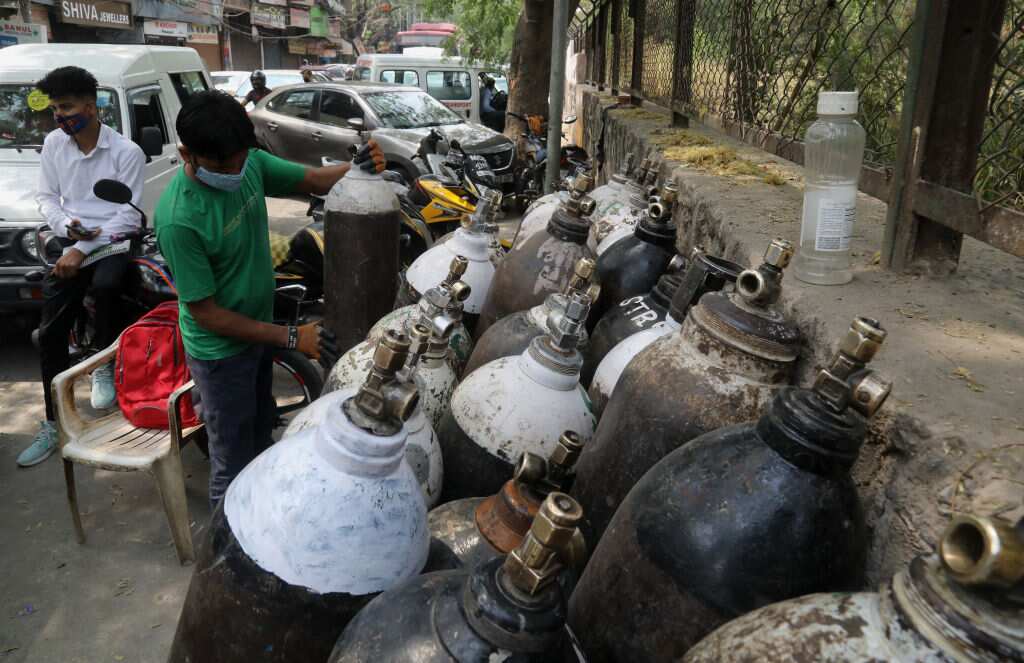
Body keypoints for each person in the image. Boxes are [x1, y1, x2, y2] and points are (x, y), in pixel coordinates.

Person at [155, 90, 384, 506]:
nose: (236, 170)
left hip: (257, 336)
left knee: (261, 433)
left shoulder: (250, 165)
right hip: (220, 355)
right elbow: (206, 314)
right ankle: (224, 554)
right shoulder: (179, 218)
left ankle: (261, 520)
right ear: (187, 154)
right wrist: (293, 337)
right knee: (231, 461)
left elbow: (313, 180)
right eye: (222, 165)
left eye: (241, 157)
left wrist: (358, 166)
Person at [17, 66, 145, 468]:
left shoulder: (127, 152)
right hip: (71, 238)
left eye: (67, 106)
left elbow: (128, 216)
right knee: (51, 329)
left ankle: (105, 364)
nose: (60, 115)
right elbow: (47, 197)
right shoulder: (54, 144)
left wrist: (85, 246)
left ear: (91, 107)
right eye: (55, 108)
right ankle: (54, 421)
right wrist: (65, 227)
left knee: (109, 287)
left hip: (112, 241)